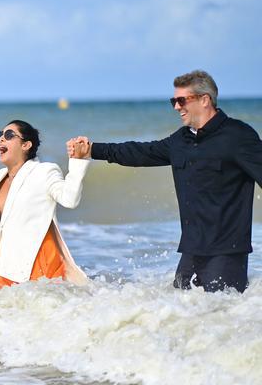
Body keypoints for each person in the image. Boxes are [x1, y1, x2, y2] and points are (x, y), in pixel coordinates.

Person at [70, 70, 262, 293]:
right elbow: (141, 152)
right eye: (174, 101)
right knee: (178, 313)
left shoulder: (238, 136)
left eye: (182, 100)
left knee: (222, 315)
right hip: (191, 250)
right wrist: (92, 150)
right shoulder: (182, 139)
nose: (176, 107)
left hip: (226, 252)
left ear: (204, 99)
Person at [0, 120, 90, 287]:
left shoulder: (44, 171)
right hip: (2, 269)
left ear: (26, 145)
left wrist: (78, 162)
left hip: (39, 270)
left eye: (9, 135)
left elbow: (70, 198)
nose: (1, 139)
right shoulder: (0, 176)